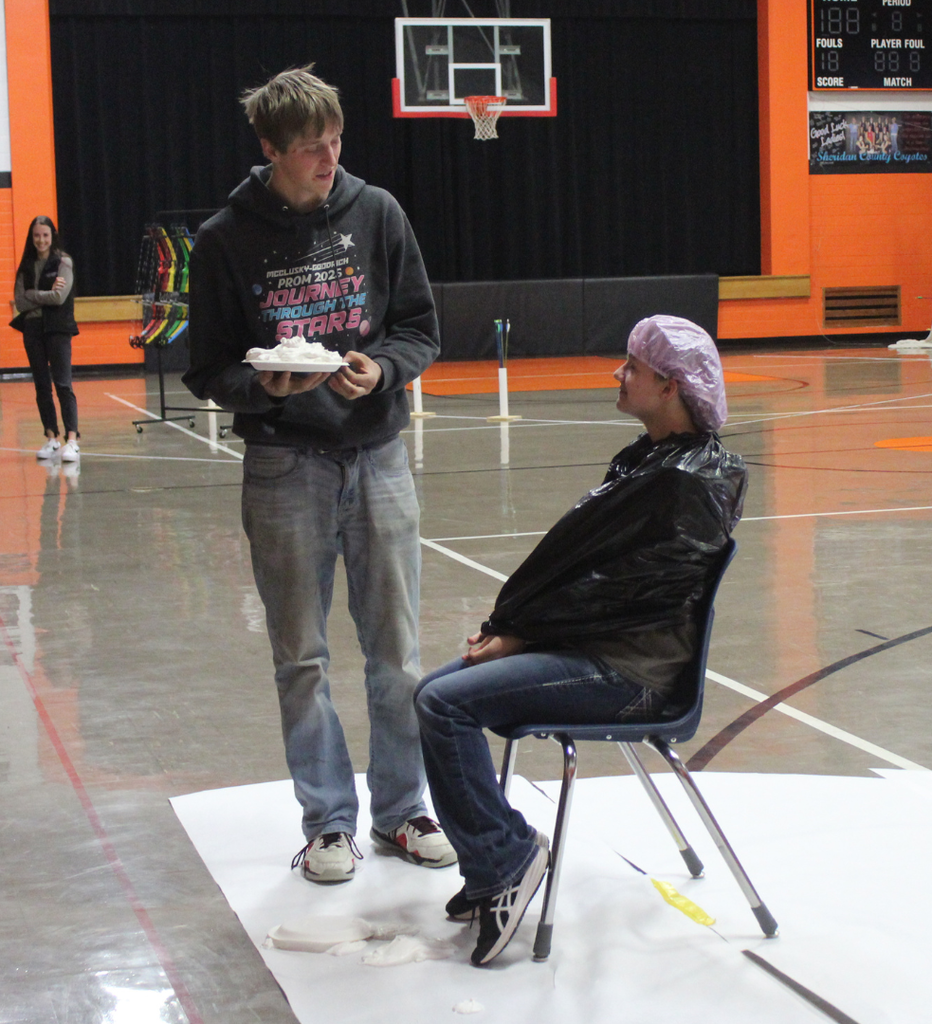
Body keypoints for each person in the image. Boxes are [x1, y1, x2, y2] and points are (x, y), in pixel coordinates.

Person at [183, 65, 455, 884]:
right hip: (282, 465)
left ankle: (402, 812)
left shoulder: (376, 213)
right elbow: (208, 368)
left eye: (336, 141)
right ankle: (329, 822)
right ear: (269, 149)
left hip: (377, 455)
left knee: (398, 651)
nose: (328, 157)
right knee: (301, 655)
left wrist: (385, 370)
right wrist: (262, 383)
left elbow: (419, 328)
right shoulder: (224, 239)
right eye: (309, 147)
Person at [415, 315, 747, 967]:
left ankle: (508, 858)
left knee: (443, 705)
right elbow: (591, 577)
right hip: (600, 651)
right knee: (433, 691)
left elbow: (627, 598)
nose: (618, 375)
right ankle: (489, 868)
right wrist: (516, 626)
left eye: (632, 367)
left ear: (670, 385)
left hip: (630, 678)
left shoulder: (686, 484)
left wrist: (521, 637)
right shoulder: (651, 463)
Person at [10, 216, 80, 462]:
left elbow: (60, 297)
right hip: (32, 329)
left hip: (58, 328)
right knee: (42, 385)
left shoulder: (64, 262)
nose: (41, 240)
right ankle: (51, 438)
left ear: (52, 236)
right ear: (32, 237)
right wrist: (45, 293)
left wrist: (35, 295)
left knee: (63, 383)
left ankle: (72, 440)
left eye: (45, 235)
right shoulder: (26, 266)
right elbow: (19, 301)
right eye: (37, 235)